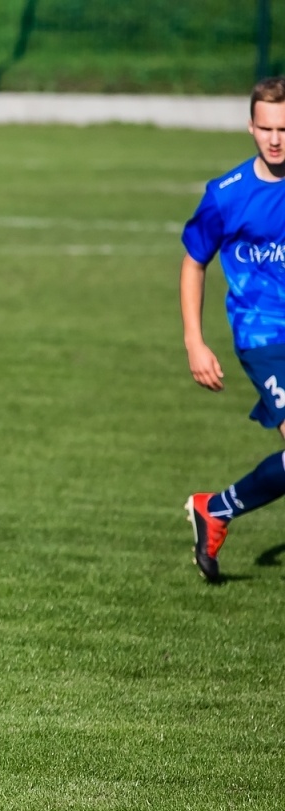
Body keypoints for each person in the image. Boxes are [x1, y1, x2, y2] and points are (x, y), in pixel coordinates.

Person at [183, 77, 285, 581]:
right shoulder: (227, 195)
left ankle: (216, 509)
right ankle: (217, 509)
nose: (275, 139)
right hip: (263, 336)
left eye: (284, 129)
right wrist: (194, 342)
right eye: (266, 128)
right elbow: (194, 262)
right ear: (250, 127)